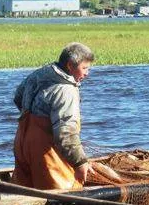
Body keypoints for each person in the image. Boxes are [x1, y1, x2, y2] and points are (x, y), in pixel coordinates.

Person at [12, 42, 94, 190]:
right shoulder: (66, 91)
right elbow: (65, 134)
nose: (87, 73)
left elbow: (18, 98)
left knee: (24, 190)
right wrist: (80, 163)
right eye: (84, 68)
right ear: (70, 66)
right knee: (64, 191)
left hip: (21, 144)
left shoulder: (38, 75)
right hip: (45, 152)